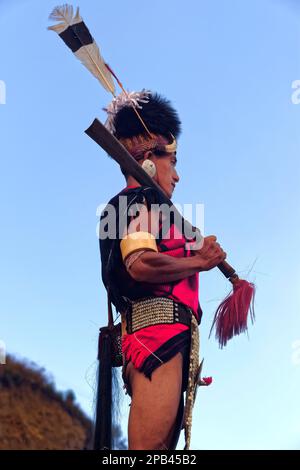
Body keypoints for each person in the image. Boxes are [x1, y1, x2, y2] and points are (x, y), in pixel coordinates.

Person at [99, 90, 226, 450]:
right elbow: (138, 263)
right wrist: (199, 261)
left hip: (164, 339)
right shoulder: (140, 202)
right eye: (172, 161)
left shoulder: (154, 211)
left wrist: (196, 252)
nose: (178, 176)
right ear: (150, 162)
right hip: (156, 339)